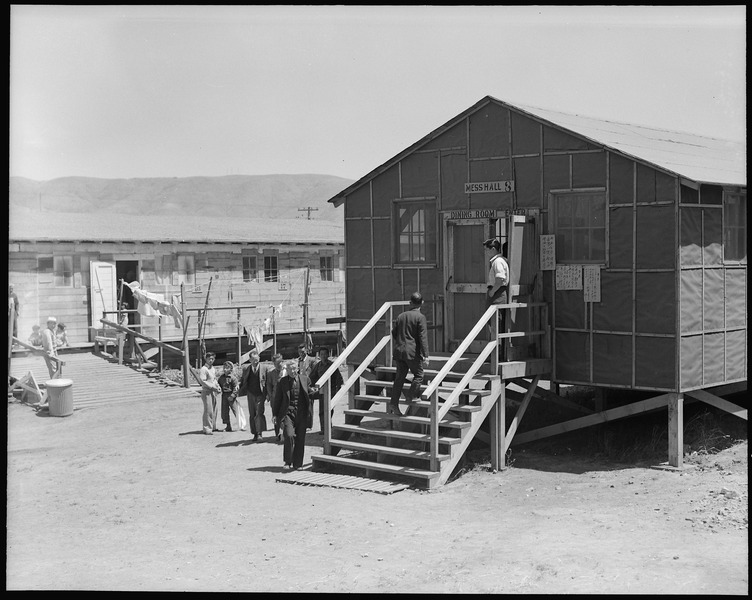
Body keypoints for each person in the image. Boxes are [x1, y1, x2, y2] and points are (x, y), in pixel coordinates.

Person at [389, 292, 430, 417]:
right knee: (418, 375)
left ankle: (394, 403)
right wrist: (426, 355)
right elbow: (422, 337)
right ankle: (410, 396)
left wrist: (401, 342)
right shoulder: (420, 317)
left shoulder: (401, 316)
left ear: (410, 302)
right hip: (412, 352)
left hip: (399, 351)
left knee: (399, 379)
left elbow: (394, 332)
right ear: (422, 303)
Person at [272, 360, 314, 470]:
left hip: (302, 413)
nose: (293, 371)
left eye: (294, 369)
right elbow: (278, 399)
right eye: (290, 369)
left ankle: (298, 464)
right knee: (289, 435)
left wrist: (320, 391)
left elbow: (310, 393)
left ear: (298, 369)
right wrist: (275, 414)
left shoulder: (305, 379)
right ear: (287, 370)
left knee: (300, 438)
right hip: (288, 413)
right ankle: (288, 461)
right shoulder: (282, 382)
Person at [484, 238, 510, 359]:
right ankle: (496, 353)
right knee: (494, 323)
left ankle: (498, 354)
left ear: (493, 249)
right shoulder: (498, 261)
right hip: (496, 292)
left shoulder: (498, 261)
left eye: (487, 250)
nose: (486, 252)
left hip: (497, 293)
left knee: (496, 323)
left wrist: (493, 291)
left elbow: (500, 279)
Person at [308, 346, 343, 433]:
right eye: (321, 354)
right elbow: (312, 377)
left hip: (331, 390)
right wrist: (310, 386)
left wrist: (338, 391)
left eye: (325, 354)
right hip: (322, 391)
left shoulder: (332, 365)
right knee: (322, 410)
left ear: (328, 355)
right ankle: (323, 429)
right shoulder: (318, 365)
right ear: (319, 355)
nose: (323, 356)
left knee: (329, 410)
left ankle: (328, 427)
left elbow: (339, 379)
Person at [240, 349, 267, 442]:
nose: (256, 361)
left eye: (257, 359)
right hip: (250, 393)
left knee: (259, 412)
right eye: (253, 359)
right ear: (250, 360)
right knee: (252, 414)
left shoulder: (264, 368)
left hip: (260, 394)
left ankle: (260, 433)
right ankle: (254, 433)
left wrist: (267, 394)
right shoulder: (246, 369)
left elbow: (267, 382)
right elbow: (242, 380)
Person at [264, 353, 286, 443]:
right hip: (275, 398)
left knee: (285, 415)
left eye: (280, 362)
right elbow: (269, 385)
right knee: (276, 416)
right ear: (273, 363)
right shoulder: (271, 373)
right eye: (277, 363)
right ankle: (277, 434)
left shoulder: (286, 371)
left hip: (285, 397)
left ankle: (285, 433)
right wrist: (270, 396)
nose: (279, 364)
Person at [198, 352, 221, 435]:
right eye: (209, 359)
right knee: (208, 410)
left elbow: (214, 379)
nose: (211, 360)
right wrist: (212, 387)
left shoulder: (212, 368)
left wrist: (217, 386)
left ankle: (213, 427)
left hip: (213, 391)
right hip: (207, 391)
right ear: (206, 359)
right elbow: (203, 381)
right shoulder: (203, 369)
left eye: (212, 359)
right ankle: (207, 428)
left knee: (215, 409)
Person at [217, 361, 240, 432]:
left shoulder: (233, 378)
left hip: (231, 395)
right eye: (224, 368)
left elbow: (236, 388)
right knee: (224, 411)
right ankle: (228, 426)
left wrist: (233, 395)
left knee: (236, 410)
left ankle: (241, 424)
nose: (225, 369)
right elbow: (218, 385)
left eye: (227, 368)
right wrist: (217, 388)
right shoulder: (221, 378)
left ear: (231, 369)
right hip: (224, 395)